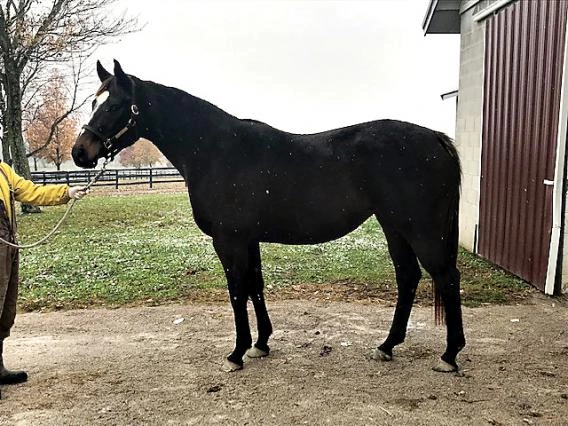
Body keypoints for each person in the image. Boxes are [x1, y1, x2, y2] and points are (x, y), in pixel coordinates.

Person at [0, 160, 86, 397]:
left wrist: (66, 192)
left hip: (7, 243)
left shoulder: (3, 171)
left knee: (5, 308)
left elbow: (31, 191)